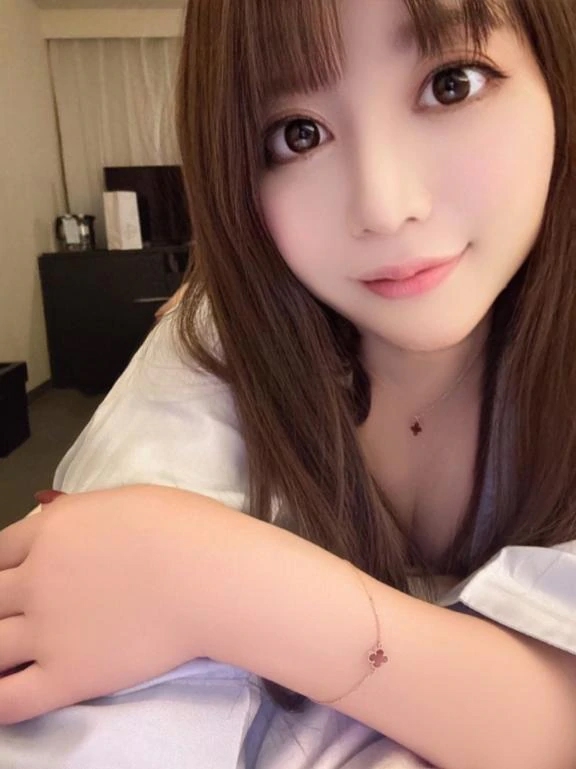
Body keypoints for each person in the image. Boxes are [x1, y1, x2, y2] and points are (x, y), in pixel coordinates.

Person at [1, 0, 576, 767]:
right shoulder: (219, 338)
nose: (384, 206)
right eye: (298, 134)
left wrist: (214, 579)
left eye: (452, 83)